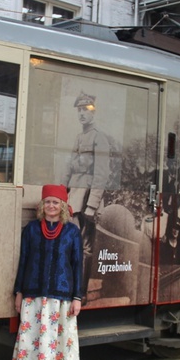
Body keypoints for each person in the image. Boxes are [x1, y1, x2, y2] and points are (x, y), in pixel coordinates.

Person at [8, 184, 83, 360]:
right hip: (33, 296)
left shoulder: (72, 232)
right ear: (42, 205)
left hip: (61, 298)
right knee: (33, 344)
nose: (51, 206)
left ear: (63, 206)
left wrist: (77, 297)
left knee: (55, 345)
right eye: (47, 202)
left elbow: (78, 265)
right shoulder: (31, 230)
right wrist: (19, 292)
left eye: (55, 202)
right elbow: (23, 261)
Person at [61, 92, 111, 296]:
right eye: (79, 110)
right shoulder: (79, 137)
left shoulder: (99, 138)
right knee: (71, 242)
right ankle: (68, 287)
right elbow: (68, 168)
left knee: (85, 247)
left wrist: (92, 204)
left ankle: (79, 293)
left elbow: (101, 174)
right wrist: (60, 192)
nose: (82, 114)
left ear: (94, 112)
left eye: (86, 110)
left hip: (88, 198)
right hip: (74, 196)